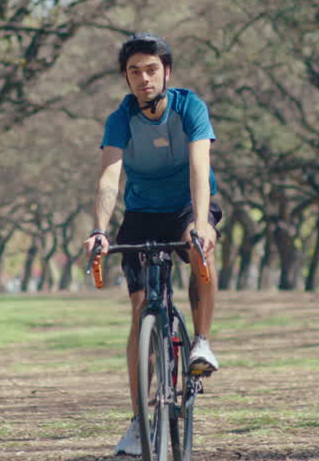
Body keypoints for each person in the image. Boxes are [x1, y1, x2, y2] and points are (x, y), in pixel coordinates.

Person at [83, 32, 222, 457]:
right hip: (141, 212)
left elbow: (200, 166)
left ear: (167, 73)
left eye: (151, 70)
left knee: (198, 249)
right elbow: (111, 176)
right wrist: (101, 229)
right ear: (125, 78)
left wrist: (200, 223)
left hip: (187, 205)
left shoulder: (189, 108)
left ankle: (200, 341)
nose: (143, 78)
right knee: (140, 308)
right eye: (134, 72)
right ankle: (139, 419)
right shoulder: (120, 118)